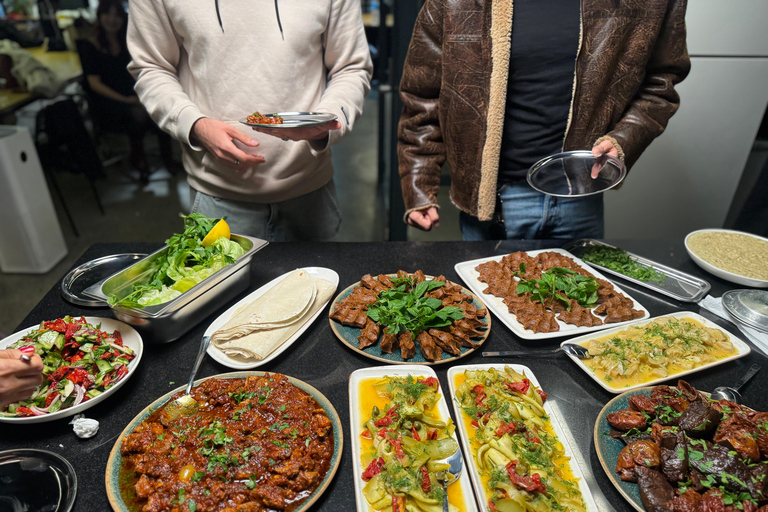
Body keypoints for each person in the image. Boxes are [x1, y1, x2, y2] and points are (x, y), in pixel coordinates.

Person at [398, 0, 691, 240]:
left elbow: (660, 85)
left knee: (583, 296)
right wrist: (419, 185)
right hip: (496, 203)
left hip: (581, 195)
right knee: (487, 296)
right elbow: (423, 96)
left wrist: (623, 140)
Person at [127, 0, 372, 241]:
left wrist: (325, 120)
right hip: (217, 196)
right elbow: (151, 67)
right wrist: (195, 125)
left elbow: (351, 67)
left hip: (310, 193)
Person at [78, 0, 180, 184]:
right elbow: (95, 84)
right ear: (99, 16)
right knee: (138, 113)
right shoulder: (89, 44)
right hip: (108, 101)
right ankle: (138, 158)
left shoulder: (126, 40)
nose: (112, 19)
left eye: (117, 15)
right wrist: (126, 99)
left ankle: (167, 157)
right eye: (107, 14)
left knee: (159, 107)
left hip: (131, 95)